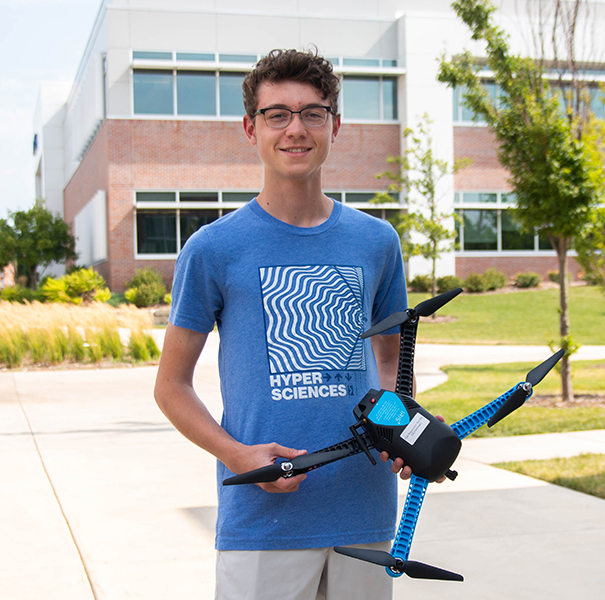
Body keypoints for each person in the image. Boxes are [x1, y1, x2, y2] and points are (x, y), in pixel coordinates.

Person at [154, 48, 414, 600]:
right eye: (278, 114)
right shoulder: (213, 249)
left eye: (312, 113)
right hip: (263, 520)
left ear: (335, 125)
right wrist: (236, 455)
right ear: (251, 128)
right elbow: (170, 386)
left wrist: (403, 430)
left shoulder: (376, 242)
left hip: (363, 513)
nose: (295, 129)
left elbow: (389, 365)